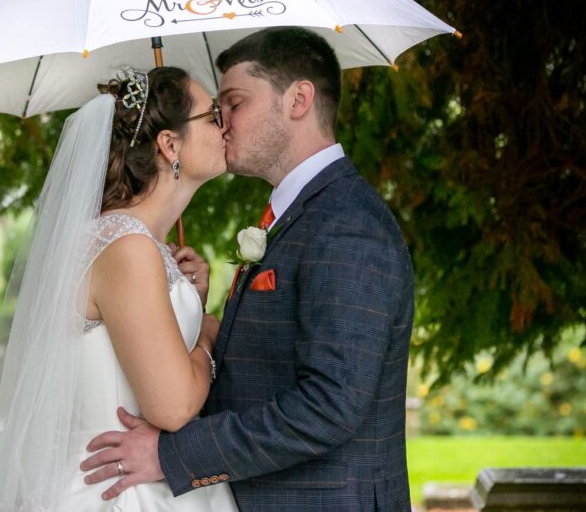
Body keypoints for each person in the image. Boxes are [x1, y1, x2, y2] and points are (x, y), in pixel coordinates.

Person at [81, 27, 416, 510]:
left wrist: (175, 454)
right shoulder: (300, 214)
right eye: (216, 111)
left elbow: (330, 406)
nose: (224, 123)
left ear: (298, 99)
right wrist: (191, 313)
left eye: (234, 104)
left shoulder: (347, 225)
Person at [0, 66, 238, 511]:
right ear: (169, 145)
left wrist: (191, 298)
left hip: (156, 479)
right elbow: (173, 405)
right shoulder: (126, 245)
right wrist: (206, 333)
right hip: (122, 491)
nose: (226, 125)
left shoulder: (136, 242)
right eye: (212, 116)